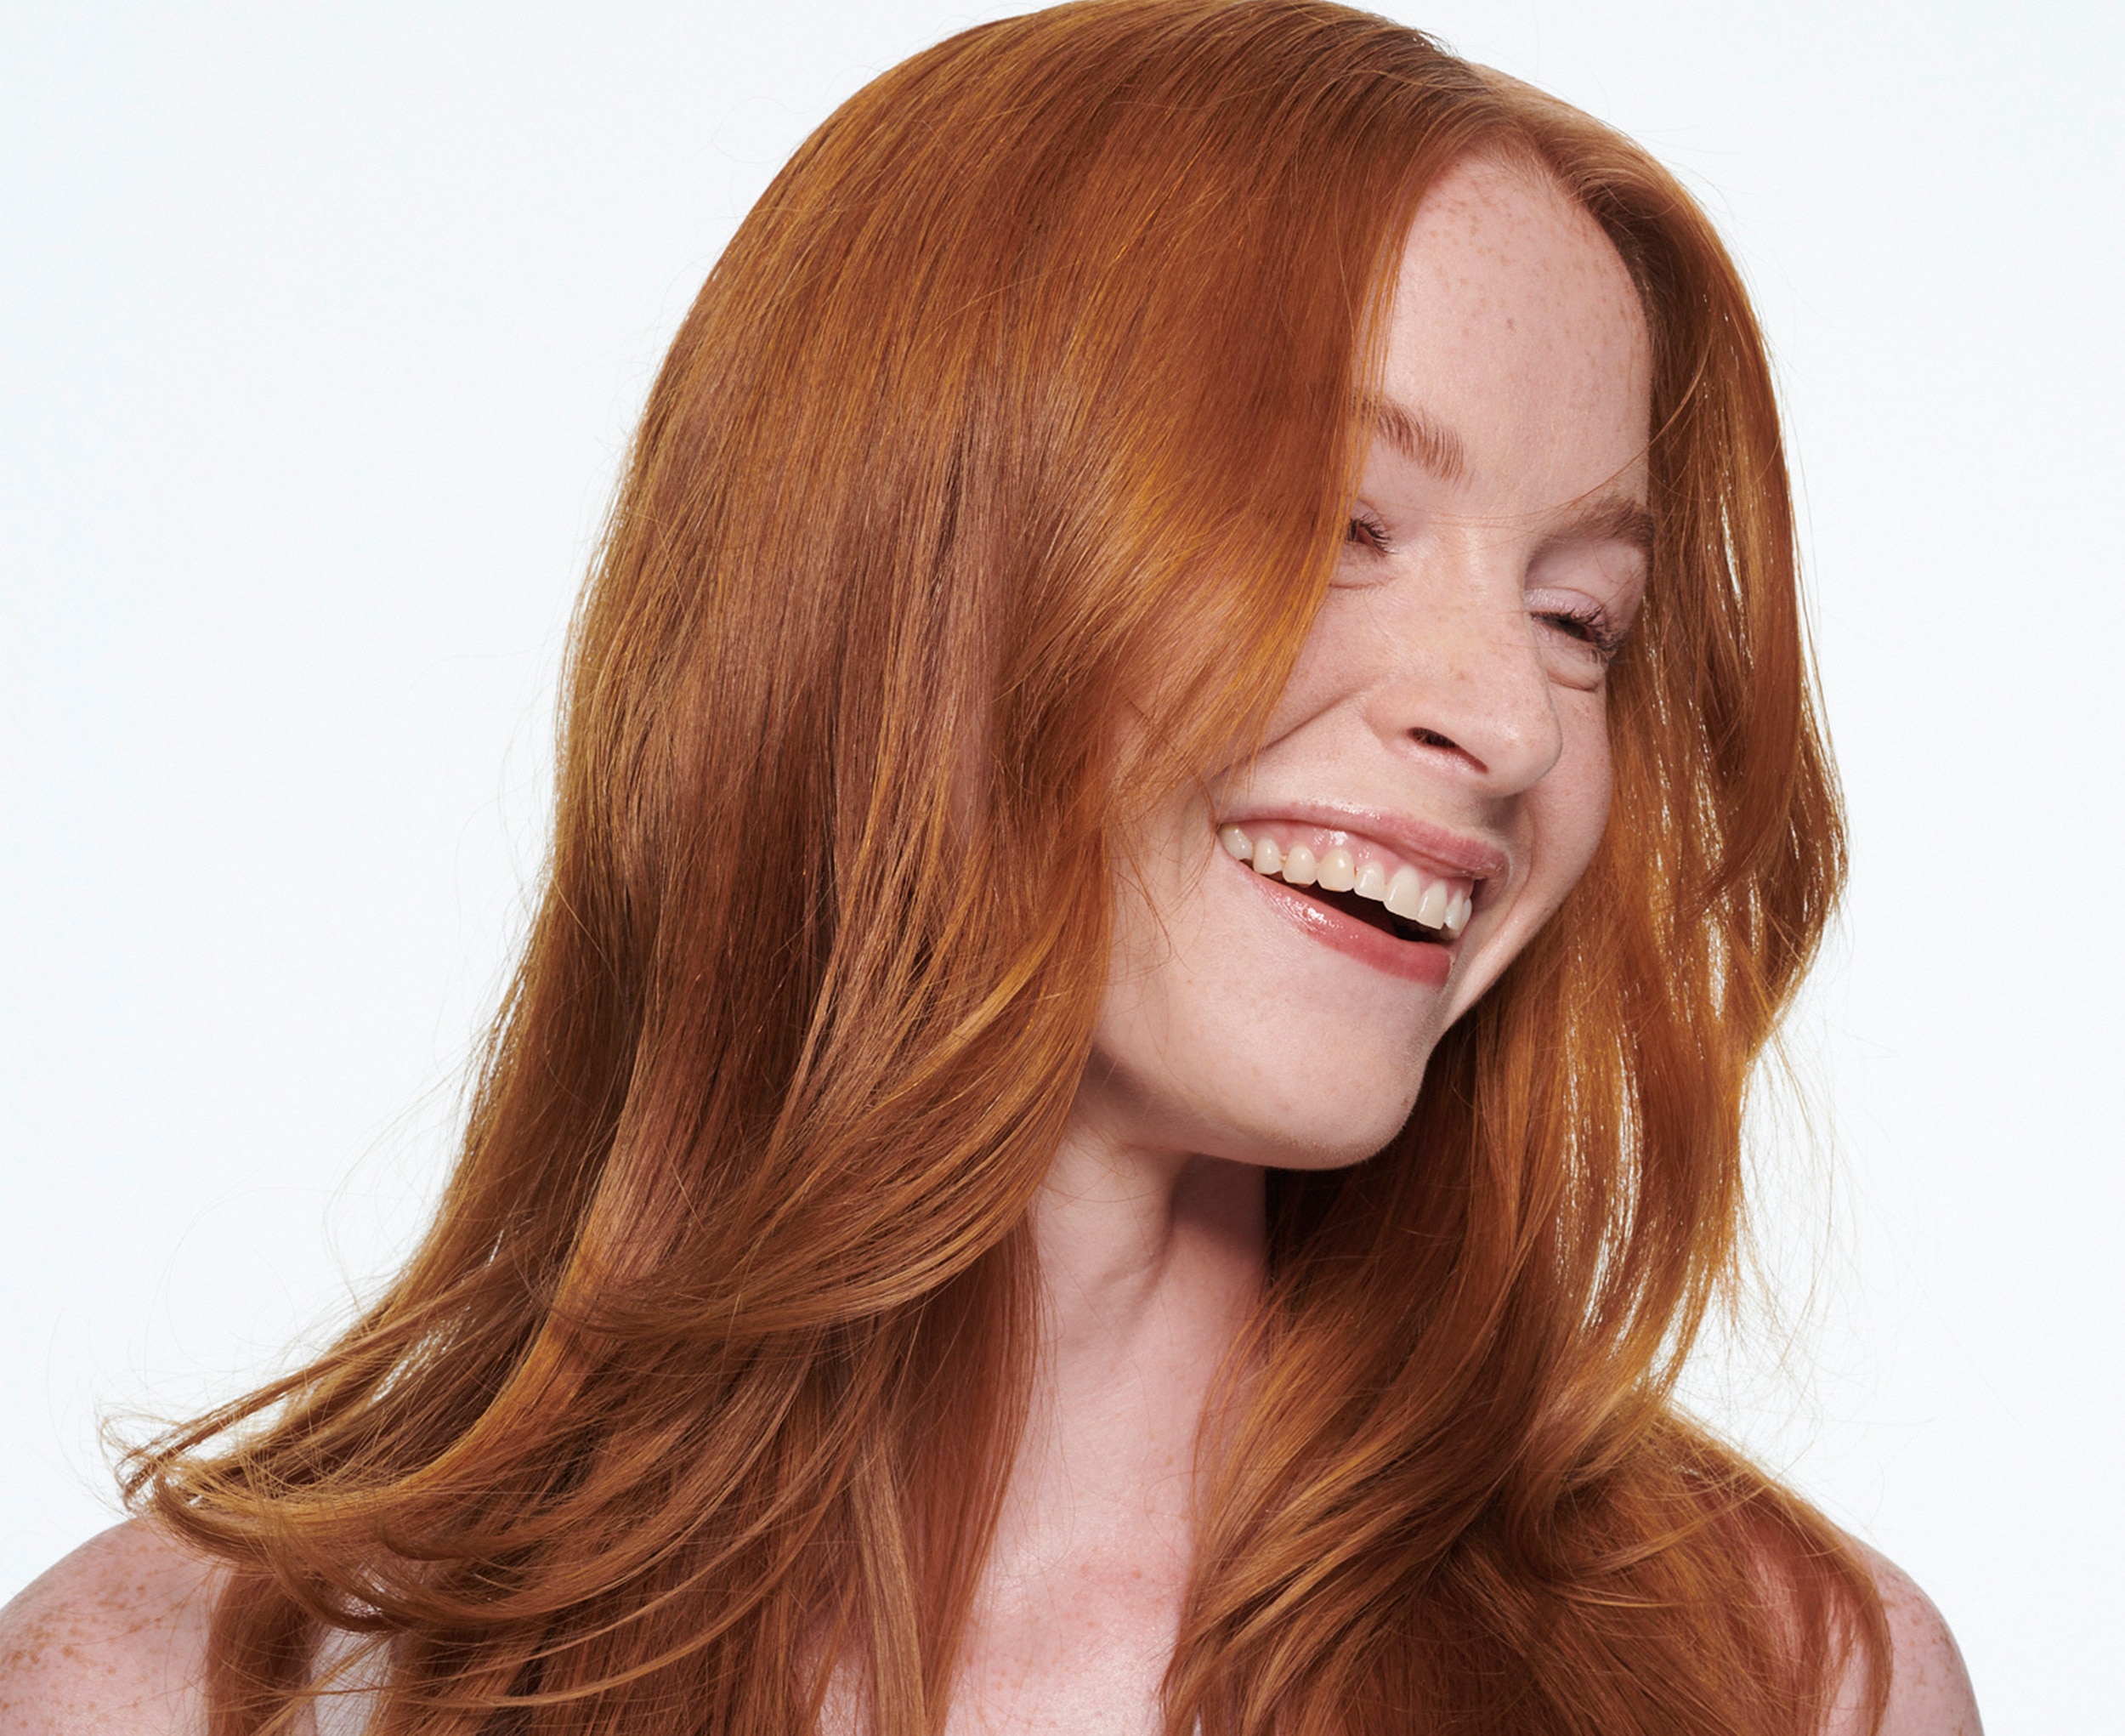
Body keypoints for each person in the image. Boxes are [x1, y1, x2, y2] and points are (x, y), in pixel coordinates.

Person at [0, 2, 1981, 1731]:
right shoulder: (176, 1690)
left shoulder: (1778, 1684)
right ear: (907, 565)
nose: (1519, 724)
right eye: (1332, 520)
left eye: (1582, 618)